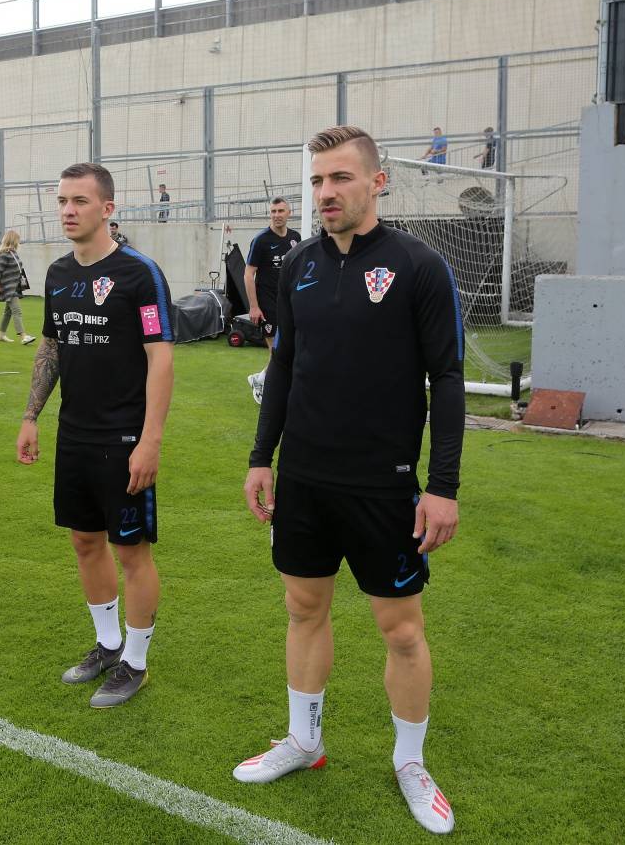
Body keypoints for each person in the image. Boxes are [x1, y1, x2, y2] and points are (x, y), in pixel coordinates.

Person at [234, 125, 463, 835]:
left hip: (383, 483)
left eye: (339, 179)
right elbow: (283, 373)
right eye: (317, 181)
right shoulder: (297, 264)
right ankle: (305, 742)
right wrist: (261, 456)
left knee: (400, 629)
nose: (325, 193)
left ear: (376, 182)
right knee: (304, 608)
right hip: (304, 477)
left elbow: (446, 380)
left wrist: (443, 485)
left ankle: (410, 762)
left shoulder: (417, 266)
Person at [17, 163, 175, 709]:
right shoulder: (59, 274)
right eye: (62, 200)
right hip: (74, 434)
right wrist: (32, 415)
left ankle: (136, 659)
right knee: (84, 541)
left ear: (107, 209)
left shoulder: (140, 274)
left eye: (80, 201)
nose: (67, 210)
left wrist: (150, 440)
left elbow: (161, 360)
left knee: (131, 551)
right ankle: (108, 645)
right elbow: (53, 347)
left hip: (125, 436)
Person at [243, 197, 302, 404]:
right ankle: (270, 388)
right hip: (267, 304)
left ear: (289, 213)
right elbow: (248, 274)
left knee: (287, 349)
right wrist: (254, 306)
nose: (277, 215)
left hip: (289, 303)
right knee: (277, 352)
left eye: (280, 211)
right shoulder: (261, 240)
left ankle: (259, 378)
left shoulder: (295, 238)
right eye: (273, 211)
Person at [0, 230, 35, 346]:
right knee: (17, 311)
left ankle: (1, 335)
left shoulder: (13, 253)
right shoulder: (5, 254)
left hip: (14, 287)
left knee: (8, 312)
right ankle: (23, 336)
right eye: (18, 239)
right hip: (8, 288)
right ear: (13, 239)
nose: (19, 241)